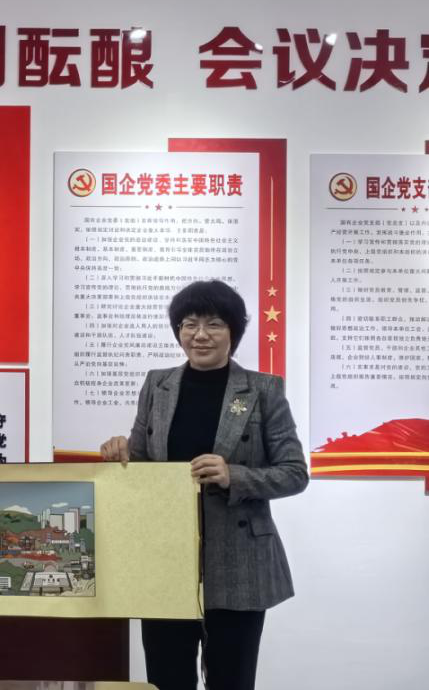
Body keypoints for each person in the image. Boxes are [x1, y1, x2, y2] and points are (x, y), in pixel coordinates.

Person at [99, 279, 307, 690]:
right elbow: (141, 465)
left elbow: (295, 472)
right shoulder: (157, 385)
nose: (199, 334)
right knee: (166, 678)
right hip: (167, 558)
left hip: (238, 561)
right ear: (178, 330)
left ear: (233, 332)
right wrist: (119, 451)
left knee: (231, 680)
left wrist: (235, 475)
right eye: (189, 324)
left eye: (213, 324)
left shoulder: (263, 390)